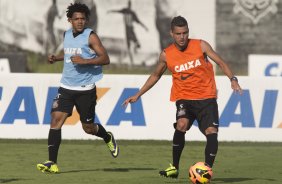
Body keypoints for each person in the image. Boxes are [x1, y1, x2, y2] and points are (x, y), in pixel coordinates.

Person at [123, 16, 242, 178]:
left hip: (206, 98)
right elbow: (155, 75)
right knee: (181, 124)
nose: (182, 37)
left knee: (211, 131)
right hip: (184, 98)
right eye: (178, 33)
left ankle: (206, 171)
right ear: (172, 33)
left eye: (185, 33)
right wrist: (138, 94)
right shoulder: (166, 55)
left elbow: (221, 62)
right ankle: (174, 168)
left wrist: (233, 79)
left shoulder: (201, 45)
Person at [37, 3, 119, 174]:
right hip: (66, 87)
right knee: (55, 121)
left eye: (83, 19)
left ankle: (106, 136)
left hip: (85, 89)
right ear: (69, 20)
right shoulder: (66, 34)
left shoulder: (91, 36)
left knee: (88, 128)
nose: (80, 22)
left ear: (86, 20)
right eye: (76, 19)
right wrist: (57, 58)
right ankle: (52, 162)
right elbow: (70, 54)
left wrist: (86, 61)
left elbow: (105, 58)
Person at [108, 0, 148, 65]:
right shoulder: (125, 10)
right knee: (129, 45)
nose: (129, 5)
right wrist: (111, 11)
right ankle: (132, 61)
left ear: (130, 5)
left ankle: (136, 50)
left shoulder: (132, 13)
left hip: (131, 29)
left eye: (129, 4)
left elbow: (138, 21)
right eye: (128, 4)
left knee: (136, 42)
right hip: (127, 30)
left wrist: (145, 27)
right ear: (128, 4)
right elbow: (117, 11)